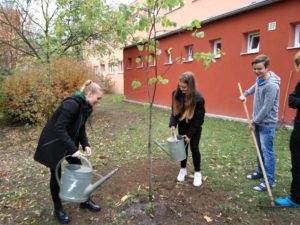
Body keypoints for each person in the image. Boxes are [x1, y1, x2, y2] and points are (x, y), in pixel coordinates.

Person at [34, 80, 103, 224]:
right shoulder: (71, 104)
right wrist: (73, 149)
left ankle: (84, 200)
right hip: (54, 144)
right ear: (89, 94)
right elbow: (59, 127)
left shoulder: (85, 106)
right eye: (98, 98)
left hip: (68, 142)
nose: (99, 101)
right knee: (56, 174)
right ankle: (58, 209)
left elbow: (80, 127)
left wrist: (85, 144)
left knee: (80, 171)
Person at [240, 54, 280, 191]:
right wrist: (245, 94)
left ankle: (270, 181)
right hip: (257, 122)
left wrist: (254, 122)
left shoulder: (271, 86)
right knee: (259, 150)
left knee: (267, 152)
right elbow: (255, 86)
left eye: (260, 69)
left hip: (266, 124)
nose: (257, 72)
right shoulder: (260, 79)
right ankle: (260, 172)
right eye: (254, 69)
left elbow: (266, 108)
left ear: (267, 68)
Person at [169, 71, 205, 187]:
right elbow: (174, 112)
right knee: (182, 149)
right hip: (183, 125)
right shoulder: (176, 94)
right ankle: (183, 169)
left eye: (184, 87)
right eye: (180, 86)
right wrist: (173, 124)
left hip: (194, 127)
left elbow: (199, 120)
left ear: (191, 86)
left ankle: (197, 173)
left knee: (194, 148)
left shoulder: (199, 99)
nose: (182, 89)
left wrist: (189, 135)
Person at [275, 51, 300, 207]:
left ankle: (296, 198)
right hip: (298, 129)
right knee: (297, 164)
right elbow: (292, 100)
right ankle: (296, 197)